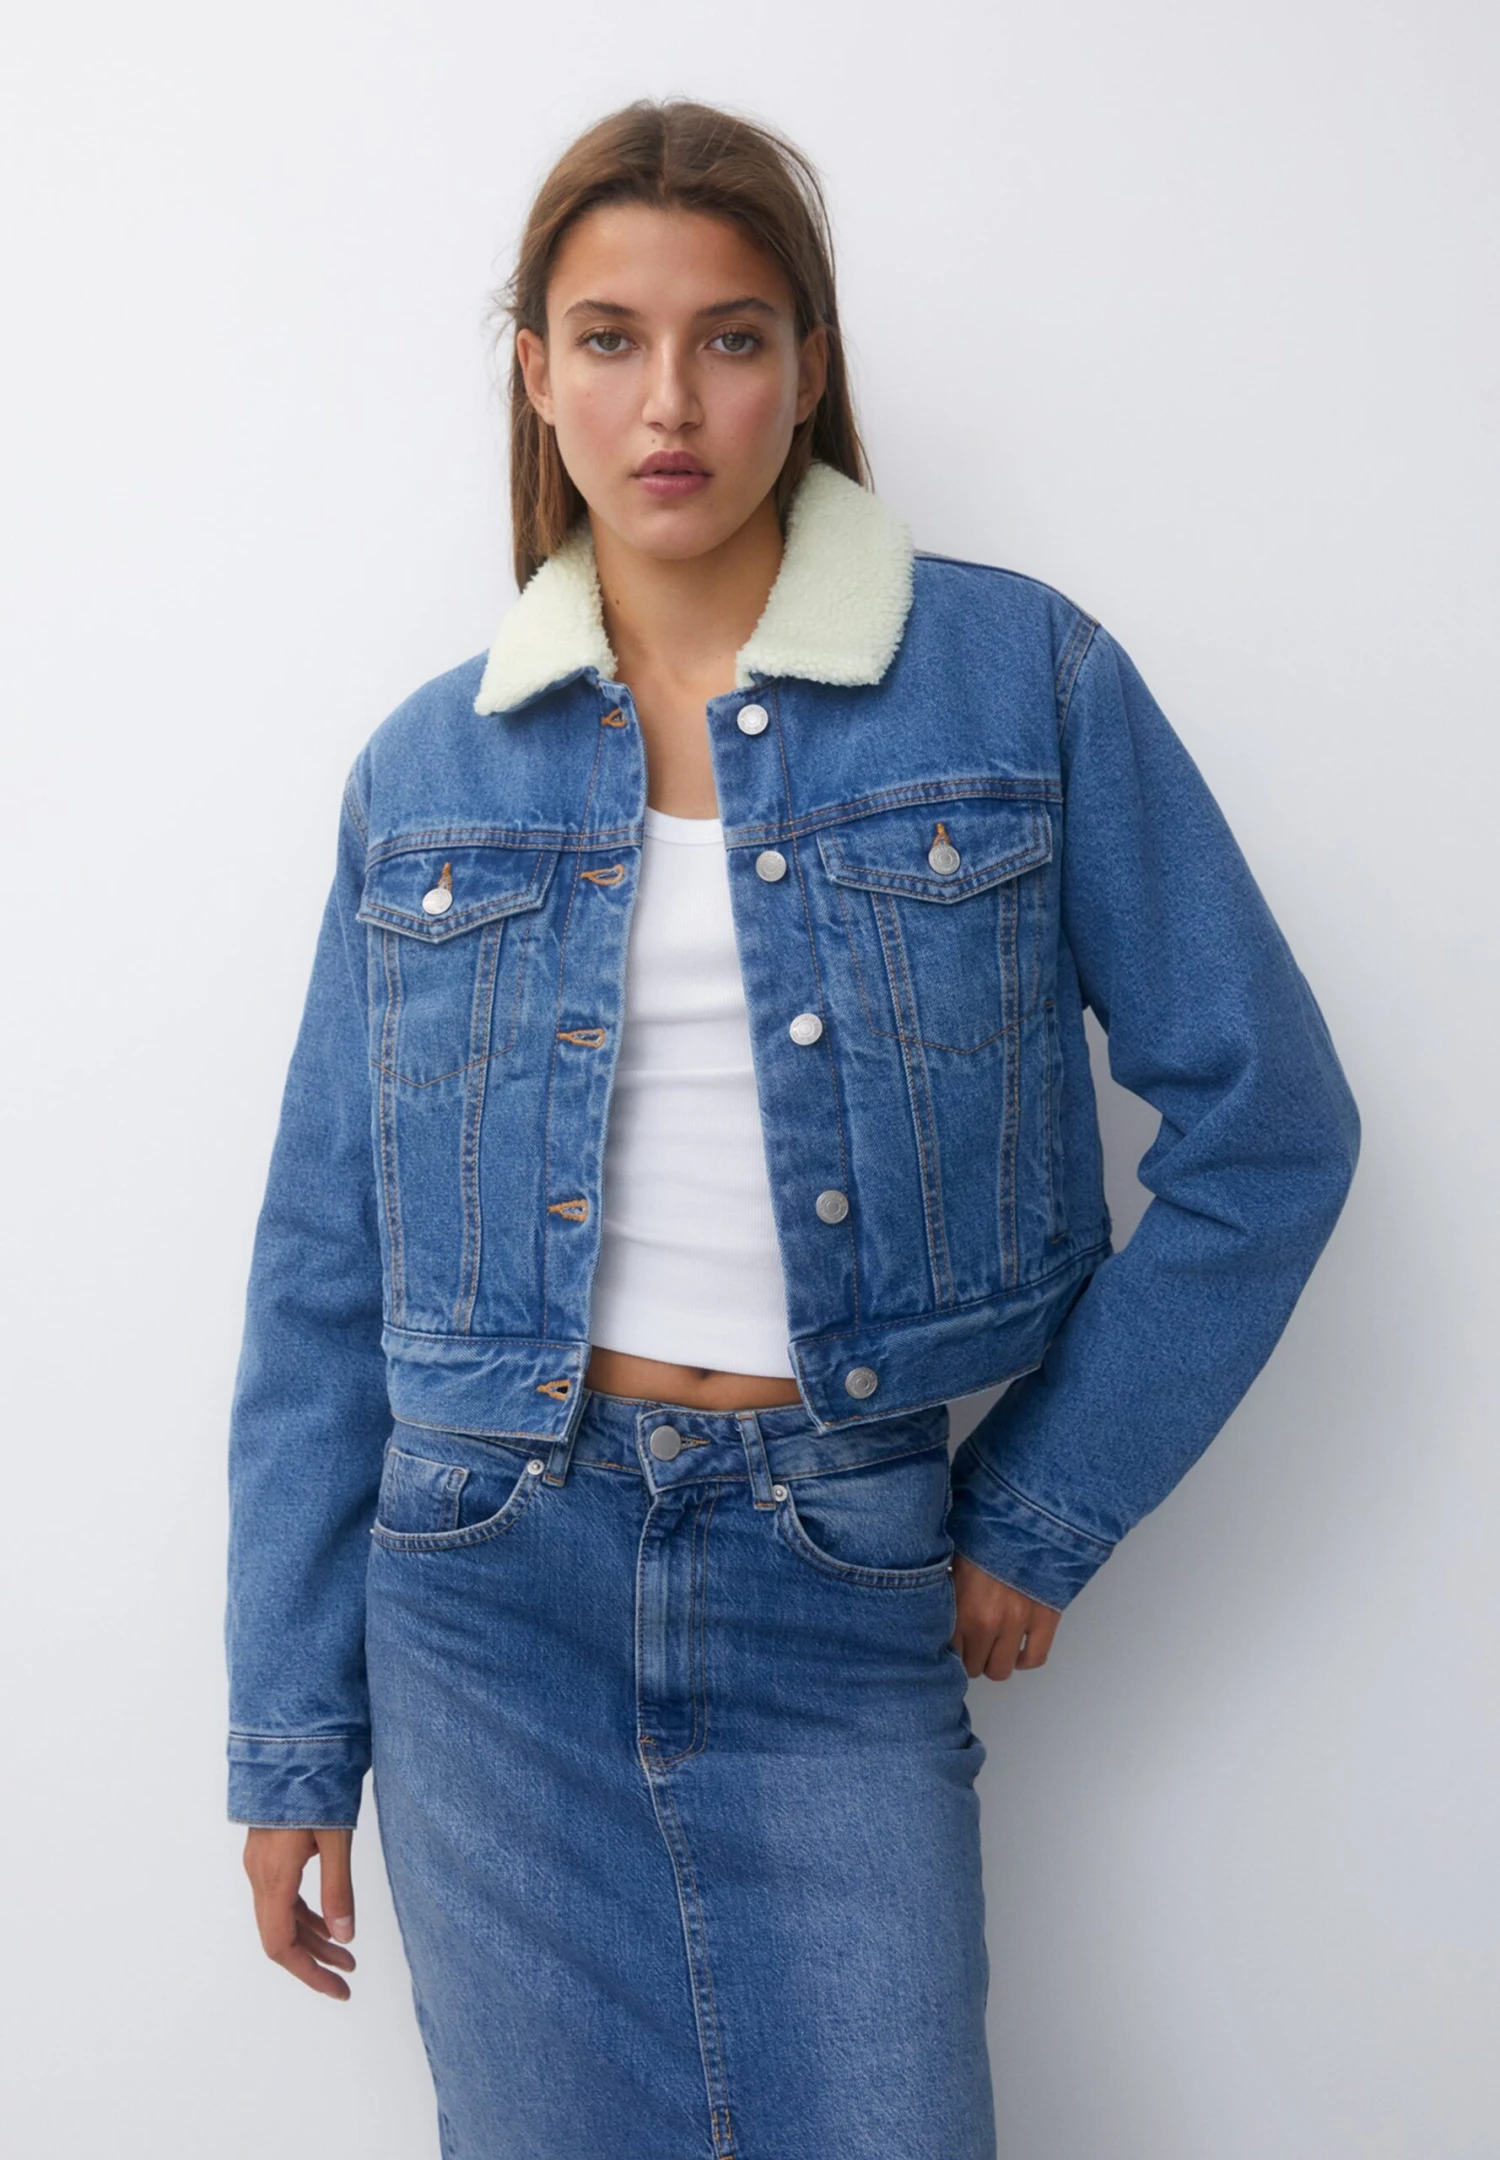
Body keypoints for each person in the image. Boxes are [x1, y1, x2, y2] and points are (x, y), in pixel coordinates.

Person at [224, 97, 1359, 2160]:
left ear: (809, 368)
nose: (670, 402)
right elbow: (326, 1272)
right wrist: (292, 1735)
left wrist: (1042, 1510)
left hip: (836, 1561)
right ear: (536, 374)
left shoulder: (1019, 683)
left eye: (731, 338)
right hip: (485, 1591)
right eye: (609, 339)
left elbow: (1268, 1128)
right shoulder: (429, 769)